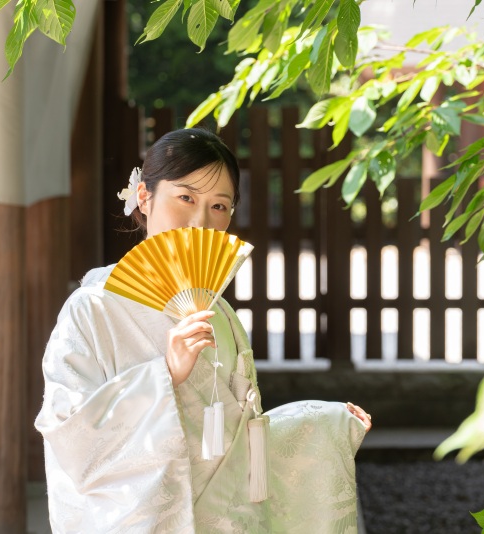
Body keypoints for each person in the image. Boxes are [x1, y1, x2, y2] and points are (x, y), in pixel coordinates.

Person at [35, 128, 372, 533]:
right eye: (186, 198)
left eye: (219, 206)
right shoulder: (92, 310)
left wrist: (322, 425)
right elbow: (67, 432)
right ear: (144, 196)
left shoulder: (220, 313)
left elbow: (239, 446)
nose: (200, 219)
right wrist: (163, 375)